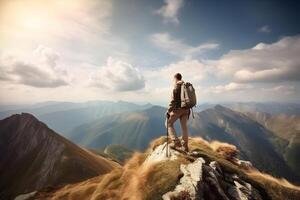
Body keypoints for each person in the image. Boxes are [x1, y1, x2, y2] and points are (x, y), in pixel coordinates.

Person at [166, 73, 190, 152]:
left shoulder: (177, 86)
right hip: (187, 109)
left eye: (174, 79)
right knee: (184, 128)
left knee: (168, 124)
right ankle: (185, 147)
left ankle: (176, 142)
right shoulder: (185, 86)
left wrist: (168, 111)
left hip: (178, 109)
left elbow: (172, 101)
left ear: (175, 78)